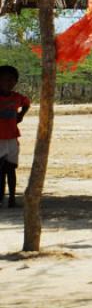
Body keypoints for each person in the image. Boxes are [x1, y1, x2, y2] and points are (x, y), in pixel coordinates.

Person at [0, 65, 30, 209]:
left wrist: (21, 115)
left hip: (12, 137)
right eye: (6, 80)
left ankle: (12, 198)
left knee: (11, 169)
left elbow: (27, 103)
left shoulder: (17, 97)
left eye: (12, 80)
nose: (9, 83)